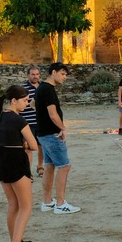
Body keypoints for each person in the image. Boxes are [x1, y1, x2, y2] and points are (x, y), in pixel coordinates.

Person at [0, 85, 38, 242]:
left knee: (13, 204)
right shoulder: (19, 120)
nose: (27, 104)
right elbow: (33, 145)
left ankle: (16, 240)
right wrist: (25, 144)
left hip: (0, 160)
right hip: (16, 161)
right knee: (26, 206)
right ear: (14, 101)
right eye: (25, 100)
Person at [35, 62, 80, 215]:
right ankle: (60, 204)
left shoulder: (42, 88)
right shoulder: (47, 89)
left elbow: (35, 106)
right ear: (53, 72)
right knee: (64, 166)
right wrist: (62, 128)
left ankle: (47, 202)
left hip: (43, 133)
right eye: (62, 74)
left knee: (49, 166)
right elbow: (52, 114)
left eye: (65, 74)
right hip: (51, 134)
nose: (64, 77)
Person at [19, 66, 43, 178]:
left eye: (37, 74)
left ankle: (40, 167)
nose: (35, 76)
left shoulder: (43, 87)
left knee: (41, 146)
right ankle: (28, 172)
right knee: (28, 148)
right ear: (28, 75)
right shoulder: (22, 89)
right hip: (27, 123)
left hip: (41, 122)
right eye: (33, 74)